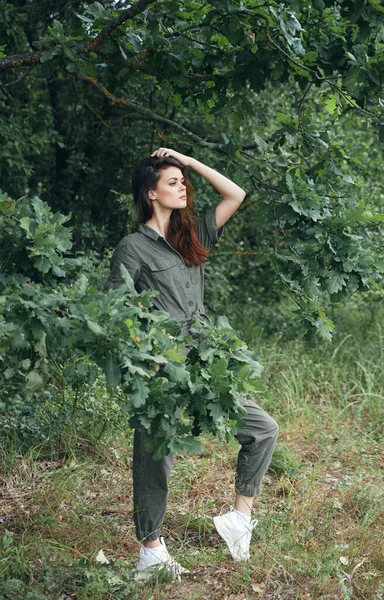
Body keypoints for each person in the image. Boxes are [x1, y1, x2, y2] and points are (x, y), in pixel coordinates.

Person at [104, 147, 279, 575]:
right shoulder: (132, 248)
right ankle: (151, 551)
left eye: (183, 182)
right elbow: (114, 309)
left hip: (203, 360)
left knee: (262, 429)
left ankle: (239, 520)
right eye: (173, 182)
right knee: (155, 459)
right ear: (151, 193)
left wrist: (187, 161)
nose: (183, 188)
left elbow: (234, 194)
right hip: (162, 366)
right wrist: (147, 355)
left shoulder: (191, 235)